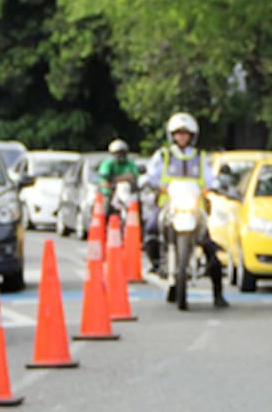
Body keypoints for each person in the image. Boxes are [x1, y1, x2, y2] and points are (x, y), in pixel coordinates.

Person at [143, 111, 228, 309]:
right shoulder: (163, 155)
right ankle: (156, 264)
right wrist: (149, 183)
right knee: (151, 228)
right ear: (172, 135)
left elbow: (209, 177)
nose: (182, 137)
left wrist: (214, 185)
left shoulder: (199, 157)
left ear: (192, 136)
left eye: (185, 133)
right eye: (178, 133)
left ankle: (218, 293)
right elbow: (151, 175)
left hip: (194, 206)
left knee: (209, 245)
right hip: (168, 204)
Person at [97, 139, 139, 219]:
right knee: (106, 206)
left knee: (138, 202)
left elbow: (135, 176)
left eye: (122, 153)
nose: (120, 155)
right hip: (110, 190)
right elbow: (105, 177)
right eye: (117, 153)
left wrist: (115, 178)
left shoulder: (130, 163)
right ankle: (104, 220)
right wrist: (125, 177)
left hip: (127, 190)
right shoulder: (108, 163)